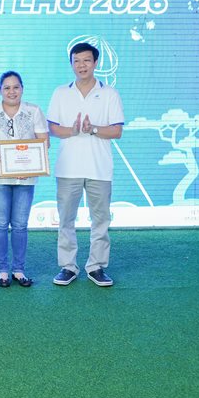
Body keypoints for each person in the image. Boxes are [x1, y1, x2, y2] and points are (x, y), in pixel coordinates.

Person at [47, 42, 124, 288]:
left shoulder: (109, 93)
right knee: (65, 220)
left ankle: (96, 266)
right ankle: (68, 267)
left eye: (87, 60)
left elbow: (117, 131)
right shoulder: (61, 92)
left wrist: (93, 129)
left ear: (96, 63)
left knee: (100, 220)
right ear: (71, 64)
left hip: (99, 168)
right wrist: (72, 130)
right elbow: (52, 128)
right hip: (68, 167)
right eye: (77, 61)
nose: (82, 65)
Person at [0, 71, 48, 288]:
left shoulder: (34, 111)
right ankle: (3, 271)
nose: (11, 91)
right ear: (0, 90)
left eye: (16, 87)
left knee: (20, 225)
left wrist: (31, 166)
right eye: (7, 87)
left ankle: (19, 270)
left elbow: (44, 142)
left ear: (22, 89)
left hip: (26, 177)